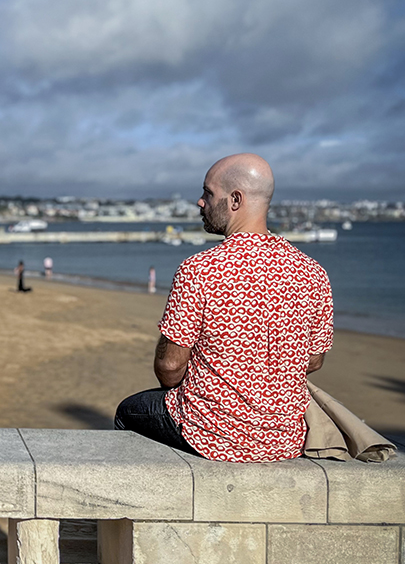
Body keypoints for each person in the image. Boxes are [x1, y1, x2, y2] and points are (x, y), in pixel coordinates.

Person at [114, 154, 334, 462]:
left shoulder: (200, 270)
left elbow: (170, 368)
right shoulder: (313, 272)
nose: (200, 202)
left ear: (235, 200)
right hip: (285, 440)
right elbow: (313, 360)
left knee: (128, 411)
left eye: (208, 193)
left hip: (212, 434)